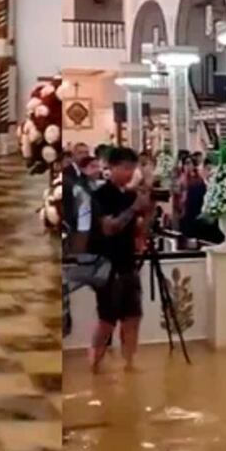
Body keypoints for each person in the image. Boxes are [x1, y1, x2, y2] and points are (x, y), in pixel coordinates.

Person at [89, 147, 153, 373]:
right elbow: (109, 228)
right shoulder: (100, 195)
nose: (129, 173)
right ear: (112, 167)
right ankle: (95, 363)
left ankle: (129, 363)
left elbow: (139, 233)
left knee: (133, 316)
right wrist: (133, 208)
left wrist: (147, 211)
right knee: (107, 319)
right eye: (125, 168)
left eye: (132, 168)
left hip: (128, 262)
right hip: (107, 265)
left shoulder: (129, 195)